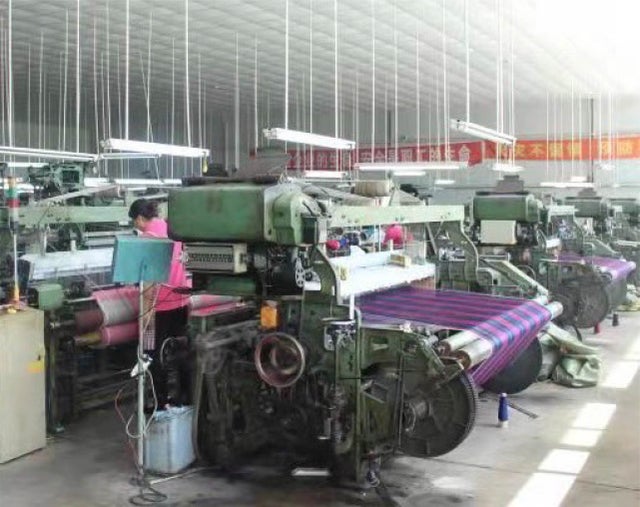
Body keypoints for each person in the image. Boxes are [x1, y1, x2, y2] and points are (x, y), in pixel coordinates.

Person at [128, 198, 191, 408]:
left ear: (139, 218)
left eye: (134, 221)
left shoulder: (147, 239)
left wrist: (145, 312)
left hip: (159, 306)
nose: (135, 225)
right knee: (181, 351)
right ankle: (185, 399)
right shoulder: (173, 229)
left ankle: (160, 402)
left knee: (153, 354)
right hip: (182, 301)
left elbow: (148, 281)